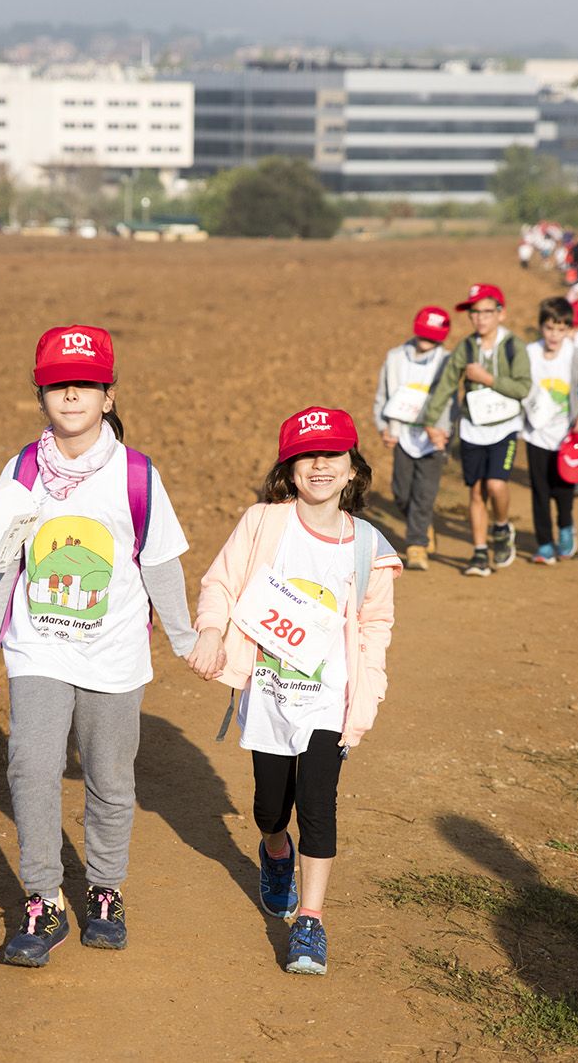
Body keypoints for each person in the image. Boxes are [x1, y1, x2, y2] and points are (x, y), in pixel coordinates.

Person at [0, 324, 197, 967]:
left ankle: (103, 890)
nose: (70, 396)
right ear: (40, 396)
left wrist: (185, 637)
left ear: (109, 396)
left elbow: (161, 565)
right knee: (31, 767)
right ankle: (43, 901)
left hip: (116, 650)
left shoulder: (138, 475)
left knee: (109, 776)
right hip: (37, 646)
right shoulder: (23, 470)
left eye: (85, 385)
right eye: (57, 385)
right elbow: (2, 563)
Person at [187, 407, 400, 976]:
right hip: (270, 693)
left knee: (319, 807)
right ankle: (274, 850)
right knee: (269, 808)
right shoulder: (263, 523)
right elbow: (221, 584)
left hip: (329, 699)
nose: (320, 465)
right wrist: (211, 632)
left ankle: (310, 919)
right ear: (289, 468)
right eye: (308, 456)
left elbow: (376, 627)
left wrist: (367, 694)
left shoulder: (368, 547)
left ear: (354, 468)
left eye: (333, 455)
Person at [417, 283, 531, 577]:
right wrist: (431, 420)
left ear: (500, 314)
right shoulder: (465, 347)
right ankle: (480, 553)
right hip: (471, 427)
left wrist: (488, 379)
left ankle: (502, 527)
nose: (479, 318)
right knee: (477, 491)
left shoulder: (513, 346)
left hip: (504, 426)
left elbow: (522, 387)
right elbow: (445, 386)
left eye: (486, 312)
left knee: (496, 484)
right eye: (474, 313)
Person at [520, 297, 578, 564]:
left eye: (561, 329)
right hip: (536, 433)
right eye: (549, 328)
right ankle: (545, 544)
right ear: (540, 327)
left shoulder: (575, 354)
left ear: (570, 329)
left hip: (566, 435)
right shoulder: (529, 353)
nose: (554, 335)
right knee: (540, 490)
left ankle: (566, 528)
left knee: (563, 489)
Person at [372, 305, 453, 570]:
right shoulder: (395, 358)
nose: (425, 341)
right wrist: (384, 425)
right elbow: (383, 395)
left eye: (432, 337)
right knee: (402, 492)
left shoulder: (447, 361)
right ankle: (423, 524)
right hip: (403, 435)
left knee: (425, 492)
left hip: (433, 439)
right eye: (422, 334)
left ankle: (416, 545)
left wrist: (445, 431)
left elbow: (452, 401)